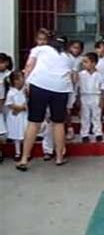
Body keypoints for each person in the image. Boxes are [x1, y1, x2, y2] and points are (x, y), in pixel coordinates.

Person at [17, 35, 74, 171]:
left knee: (34, 122)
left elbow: (29, 66)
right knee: (58, 123)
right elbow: (71, 75)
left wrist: (26, 84)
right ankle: (59, 157)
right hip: (61, 89)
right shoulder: (69, 57)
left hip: (40, 85)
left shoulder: (40, 49)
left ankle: (24, 158)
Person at [77, 52, 104, 143]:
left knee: (96, 115)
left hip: (96, 96)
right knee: (85, 116)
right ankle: (85, 134)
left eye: (86, 62)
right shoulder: (81, 74)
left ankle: (98, 133)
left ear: (93, 63)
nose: (84, 64)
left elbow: (102, 88)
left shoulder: (99, 75)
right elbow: (78, 87)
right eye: (83, 62)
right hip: (84, 96)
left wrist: (102, 99)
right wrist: (78, 99)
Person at [5, 71, 27, 161]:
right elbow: (9, 104)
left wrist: (23, 108)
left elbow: (28, 101)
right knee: (17, 134)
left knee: (25, 133)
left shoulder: (25, 90)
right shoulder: (11, 92)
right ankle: (17, 152)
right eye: (20, 78)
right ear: (15, 81)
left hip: (24, 114)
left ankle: (26, 152)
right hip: (15, 115)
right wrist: (19, 108)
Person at [65, 40, 84, 140]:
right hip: (68, 86)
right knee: (67, 109)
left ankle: (85, 129)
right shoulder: (66, 58)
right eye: (74, 47)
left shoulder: (82, 59)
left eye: (78, 48)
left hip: (81, 86)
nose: (76, 50)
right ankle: (69, 128)